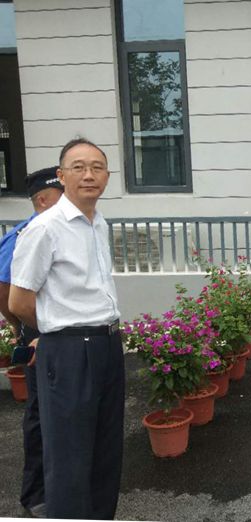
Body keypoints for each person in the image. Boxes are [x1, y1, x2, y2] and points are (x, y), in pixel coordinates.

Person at [9, 138, 124, 519]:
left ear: (107, 176)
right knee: (70, 458)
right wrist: (55, 332)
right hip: (70, 351)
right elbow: (19, 301)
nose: (89, 175)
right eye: (78, 167)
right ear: (61, 176)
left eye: (97, 167)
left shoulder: (97, 223)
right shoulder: (45, 228)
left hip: (107, 343)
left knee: (106, 451)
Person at [0, 166, 63, 519]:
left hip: (59, 334)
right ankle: (36, 495)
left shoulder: (62, 229)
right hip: (41, 334)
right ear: (42, 200)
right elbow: (3, 286)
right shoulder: (30, 231)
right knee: (41, 415)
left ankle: (60, 485)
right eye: (60, 196)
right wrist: (22, 327)